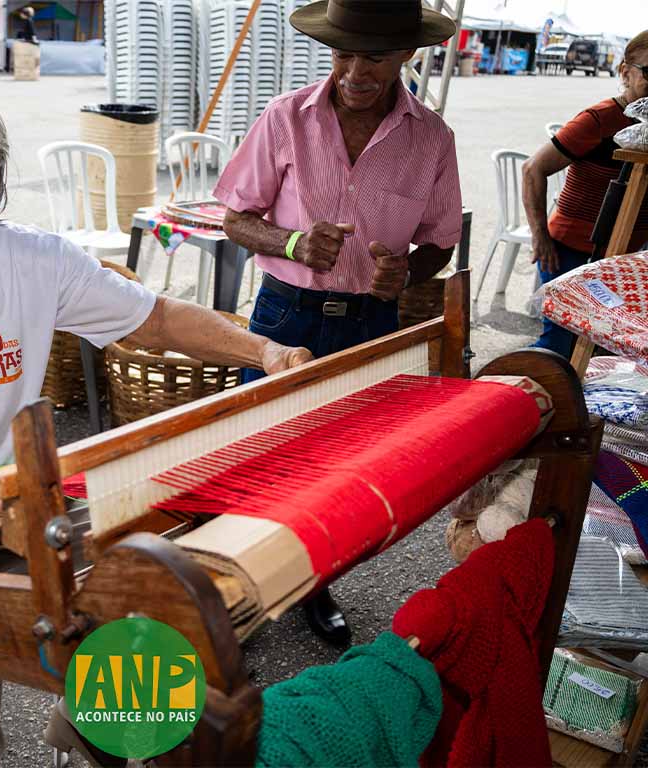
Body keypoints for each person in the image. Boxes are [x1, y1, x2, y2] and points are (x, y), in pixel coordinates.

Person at [0, 58, 312, 767]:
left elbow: (155, 319)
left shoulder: (32, 259)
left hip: (20, 500)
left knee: (147, 594)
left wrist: (265, 350)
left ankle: (98, 742)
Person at [214, 0, 462, 645]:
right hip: (285, 312)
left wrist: (407, 273)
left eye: (374, 57)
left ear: (406, 55)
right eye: (343, 54)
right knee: (259, 449)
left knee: (340, 462)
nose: (355, 71)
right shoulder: (284, 118)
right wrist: (293, 244)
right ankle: (236, 587)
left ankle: (313, 583)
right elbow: (235, 218)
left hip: (369, 321)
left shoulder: (431, 138)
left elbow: (440, 241)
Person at [522, 31, 648, 357]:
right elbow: (533, 169)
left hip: (626, 254)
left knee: (613, 351)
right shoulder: (598, 120)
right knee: (561, 347)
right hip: (571, 250)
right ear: (625, 72)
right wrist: (540, 237)